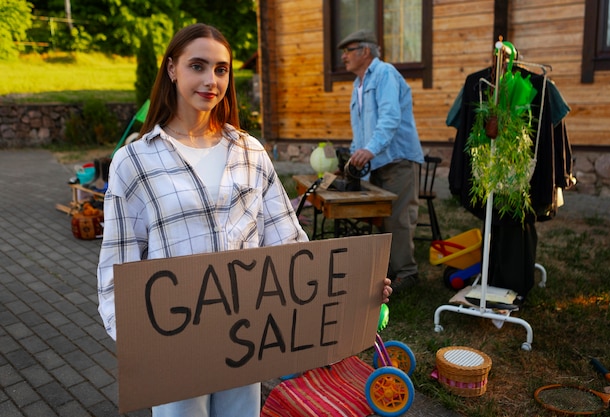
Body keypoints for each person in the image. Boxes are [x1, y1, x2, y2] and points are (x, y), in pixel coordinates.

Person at [97, 23, 393, 417]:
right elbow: (119, 263)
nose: (211, 80)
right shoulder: (134, 161)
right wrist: (140, 346)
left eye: (221, 69)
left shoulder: (250, 152)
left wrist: (353, 290)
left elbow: (289, 244)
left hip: (246, 341)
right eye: (198, 66)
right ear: (172, 69)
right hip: (177, 348)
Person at [338, 29, 425, 292]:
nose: (344, 57)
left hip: (397, 160)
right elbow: (362, 130)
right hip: (377, 162)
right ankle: (385, 272)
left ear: (365, 51)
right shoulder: (359, 84)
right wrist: (355, 159)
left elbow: (390, 119)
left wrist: (369, 150)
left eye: (348, 51)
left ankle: (407, 275)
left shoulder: (385, 73)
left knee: (398, 219)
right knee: (381, 219)